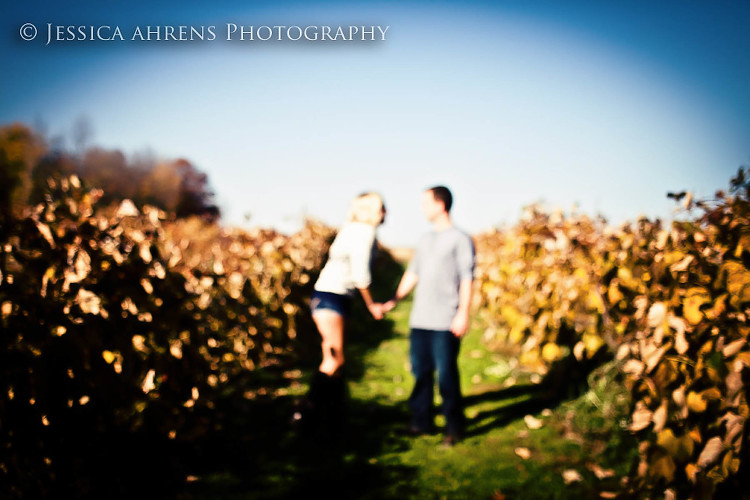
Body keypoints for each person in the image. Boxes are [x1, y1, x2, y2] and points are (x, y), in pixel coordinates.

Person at [384, 186, 475, 446]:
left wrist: (463, 314)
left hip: (446, 320)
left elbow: (467, 278)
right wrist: (394, 300)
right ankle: (421, 423)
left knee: (446, 376)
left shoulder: (460, 239)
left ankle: (454, 428)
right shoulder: (425, 239)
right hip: (420, 319)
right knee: (420, 372)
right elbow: (413, 273)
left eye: (426, 203)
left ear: (441, 205)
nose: (422, 208)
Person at [296, 192, 387, 434]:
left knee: (336, 357)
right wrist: (371, 305)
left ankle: (332, 417)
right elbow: (360, 275)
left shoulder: (349, 229)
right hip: (333, 297)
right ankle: (305, 412)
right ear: (368, 211)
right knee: (333, 359)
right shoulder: (365, 233)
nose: (384, 213)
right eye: (380, 208)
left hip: (328, 296)